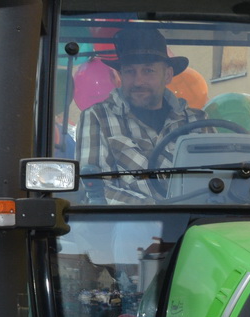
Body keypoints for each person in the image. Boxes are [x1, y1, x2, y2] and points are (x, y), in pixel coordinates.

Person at [76, 24, 208, 204]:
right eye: (130, 71)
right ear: (120, 74)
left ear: (167, 74)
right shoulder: (98, 117)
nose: (138, 81)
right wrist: (153, 210)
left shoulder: (197, 121)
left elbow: (216, 180)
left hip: (194, 222)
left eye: (148, 70)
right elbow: (95, 189)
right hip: (130, 224)